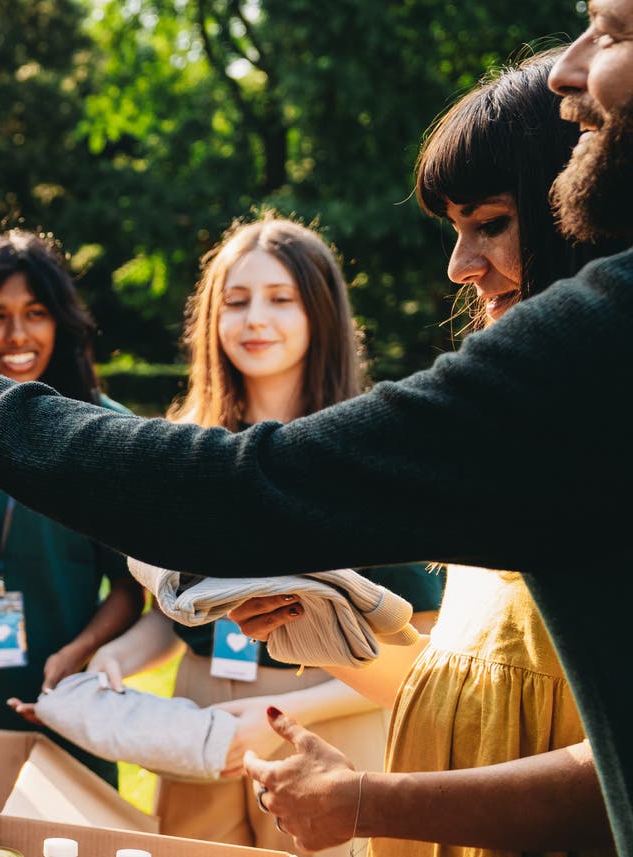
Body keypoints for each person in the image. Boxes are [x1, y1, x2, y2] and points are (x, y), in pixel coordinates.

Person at [0, 7, 633, 850]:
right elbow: (475, 687)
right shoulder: (550, 400)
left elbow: (249, 485)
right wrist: (329, 639)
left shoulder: (588, 350)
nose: (569, 67)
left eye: (613, 30)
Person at [220, 50, 614, 857]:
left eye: (491, 223)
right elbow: (477, 687)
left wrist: (364, 800)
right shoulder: (513, 429)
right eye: (455, 230)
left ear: (578, 211)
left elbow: (611, 775)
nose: (458, 266)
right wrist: (324, 629)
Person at [75, 216, 440, 855]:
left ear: (319, 312)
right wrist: (120, 658)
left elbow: (425, 635)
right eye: (236, 302)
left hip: (326, 712)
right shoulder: (184, 449)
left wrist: (282, 720)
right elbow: (183, 608)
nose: (254, 321)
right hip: (198, 721)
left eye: (280, 299)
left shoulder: (367, 445)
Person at [0, 230, 143, 786]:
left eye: (35, 312)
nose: (17, 335)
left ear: (60, 321)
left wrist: (80, 652)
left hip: (62, 697)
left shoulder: (101, 428)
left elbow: (130, 586)